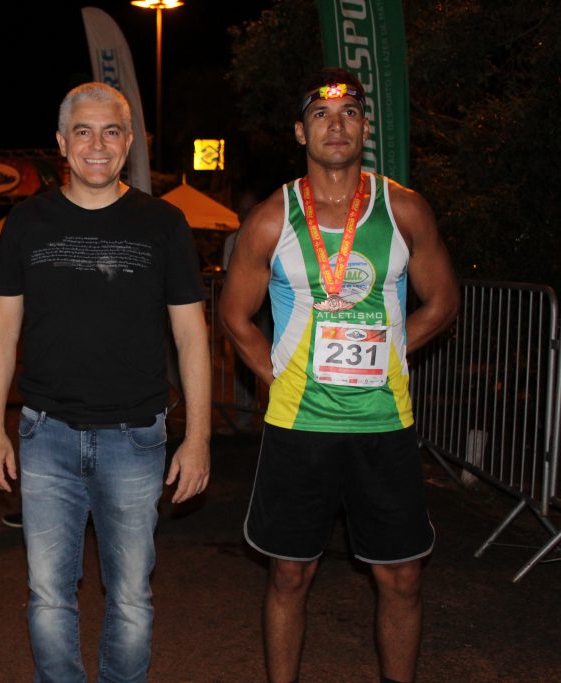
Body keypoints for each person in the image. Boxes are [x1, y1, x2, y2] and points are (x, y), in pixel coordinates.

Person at [219, 67, 460, 683]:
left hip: (384, 422)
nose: (336, 125)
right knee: (289, 574)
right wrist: (276, 375)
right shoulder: (272, 218)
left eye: (349, 113)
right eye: (321, 115)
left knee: (401, 577)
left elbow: (443, 301)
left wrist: (394, 349)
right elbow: (234, 315)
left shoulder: (403, 208)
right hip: (299, 425)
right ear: (301, 131)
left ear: (365, 128)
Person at [0, 82, 211, 682]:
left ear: (129, 141)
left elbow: (191, 335)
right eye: (83, 132)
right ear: (62, 143)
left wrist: (199, 438)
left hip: (136, 438)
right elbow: (0, 331)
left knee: (131, 597)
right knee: (48, 594)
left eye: (111, 131)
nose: (98, 145)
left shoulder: (164, 222)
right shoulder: (26, 222)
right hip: (45, 435)